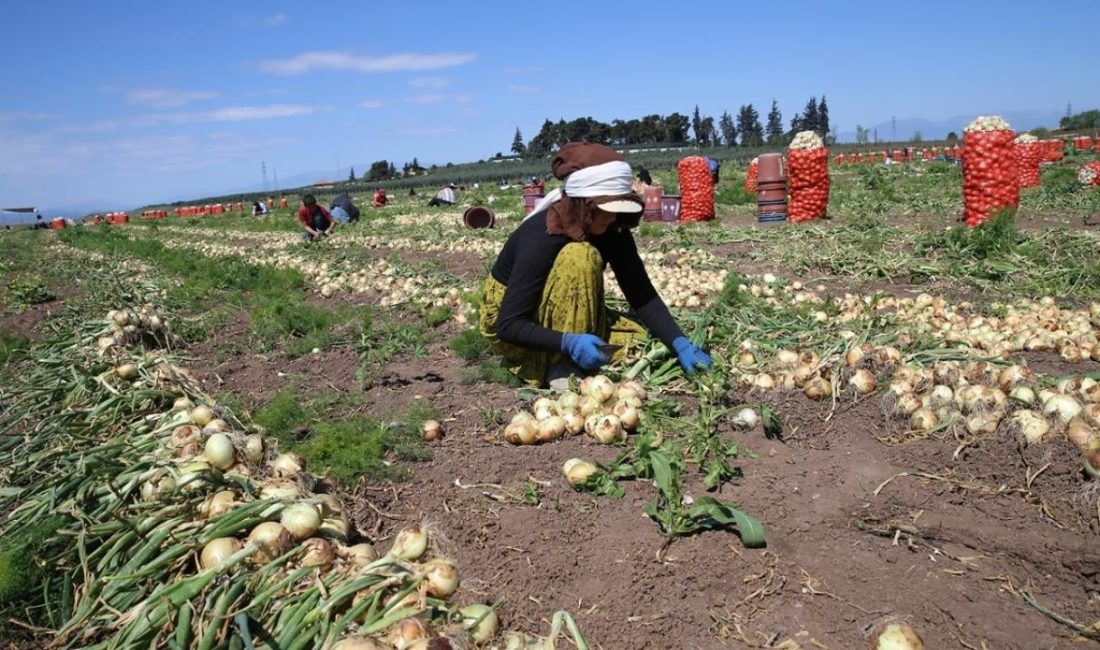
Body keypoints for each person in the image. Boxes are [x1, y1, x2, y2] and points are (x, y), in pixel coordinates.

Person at [478, 142, 712, 388]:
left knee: (642, 342)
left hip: (560, 310)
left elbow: (641, 293)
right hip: (515, 321)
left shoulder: (612, 227)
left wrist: (679, 342)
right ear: (583, 204)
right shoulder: (541, 235)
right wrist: (567, 342)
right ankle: (561, 364)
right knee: (581, 255)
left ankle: (578, 342)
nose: (613, 217)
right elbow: (509, 325)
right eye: (606, 209)